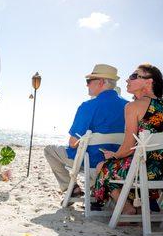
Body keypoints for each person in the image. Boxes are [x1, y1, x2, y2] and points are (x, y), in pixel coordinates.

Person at [92, 64, 163, 214]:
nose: (128, 79)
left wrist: (114, 155)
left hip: (146, 170)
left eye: (134, 76)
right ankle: (142, 208)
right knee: (120, 166)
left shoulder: (133, 106)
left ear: (148, 82)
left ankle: (128, 209)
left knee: (103, 166)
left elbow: (128, 147)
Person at [44, 64, 127, 195]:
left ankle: (71, 188)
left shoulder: (88, 106)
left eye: (89, 81)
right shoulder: (129, 106)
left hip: (92, 162)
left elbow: (73, 143)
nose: (87, 85)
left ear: (101, 82)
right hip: (119, 164)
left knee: (49, 150)